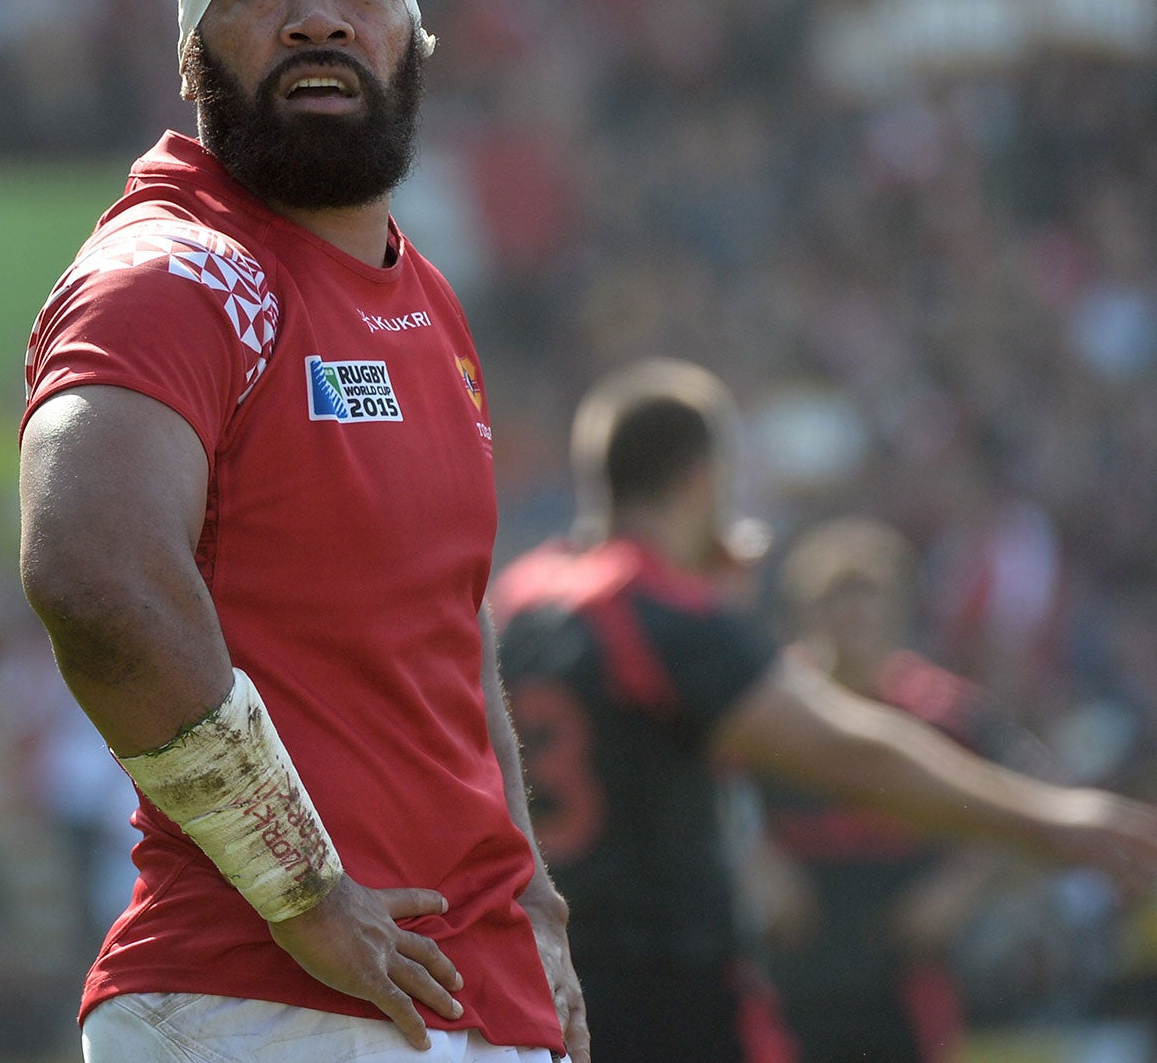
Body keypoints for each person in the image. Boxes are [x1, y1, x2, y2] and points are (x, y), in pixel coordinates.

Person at [19, 0, 586, 1063]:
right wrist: (301, 891)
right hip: (265, 1001)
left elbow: (446, 624)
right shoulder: (175, 272)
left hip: (455, 993)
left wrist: (528, 893)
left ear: (414, 40)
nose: (315, 17)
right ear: (189, 52)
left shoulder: (424, 301)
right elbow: (93, 577)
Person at [491, 359, 1157, 1063]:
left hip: (552, 974)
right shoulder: (662, 617)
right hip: (666, 986)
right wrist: (1050, 820)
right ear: (702, 479)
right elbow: (852, 755)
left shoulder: (521, 602)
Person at [759, 518, 1038, 1063]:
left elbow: (1031, 803)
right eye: (834, 601)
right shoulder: (771, 712)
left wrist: (962, 885)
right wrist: (752, 859)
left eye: (867, 600)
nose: (851, 619)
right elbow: (702, 791)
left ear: (898, 611)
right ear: (802, 615)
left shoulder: (946, 712)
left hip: (909, 985)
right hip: (791, 979)